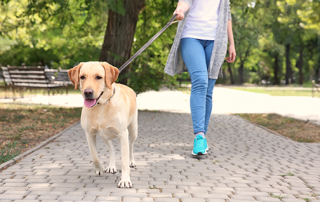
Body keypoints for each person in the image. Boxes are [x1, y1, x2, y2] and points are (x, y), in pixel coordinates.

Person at [164, 0, 236, 155]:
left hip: (217, 40)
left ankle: (202, 136)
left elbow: (226, 12)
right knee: (200, 81)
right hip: (191, 36)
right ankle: (199, 136)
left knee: (208, 90)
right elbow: (185, 2)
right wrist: (180, 10)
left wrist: (232, 43)